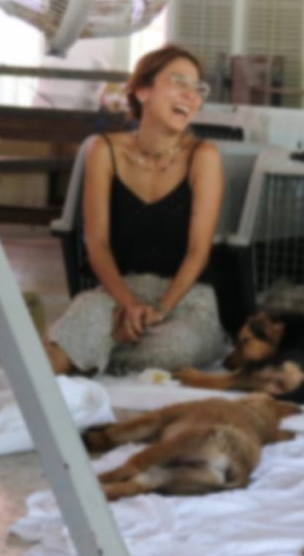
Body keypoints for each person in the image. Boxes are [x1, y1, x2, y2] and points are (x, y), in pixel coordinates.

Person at [45, 45, 226, 376]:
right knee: (82, 320)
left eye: (198, 88)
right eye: (178, 81)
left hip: (185, 296)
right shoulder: (104, 150)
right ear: (142, 90)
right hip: (119, 289)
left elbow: (199, 252)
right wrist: (127, 304)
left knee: (176, 347)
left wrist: (160, 310)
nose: (190, 95)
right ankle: (39, 398)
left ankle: (97, 356)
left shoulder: (204, 156)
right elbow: (96, 243)